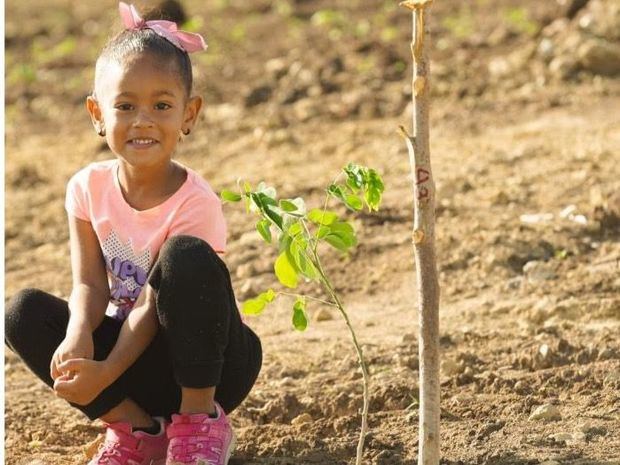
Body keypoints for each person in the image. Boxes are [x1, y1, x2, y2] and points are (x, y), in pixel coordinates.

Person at [4, 3, 262, 465]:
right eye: (125, 106)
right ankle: (137, 430)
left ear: (189, 113)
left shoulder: (194, 201)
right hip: (135, 365)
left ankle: (200, 424)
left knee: (185, 256)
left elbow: (149, 305)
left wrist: (106, 371)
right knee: (23, 314)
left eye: (162, 105)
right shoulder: (87, 187)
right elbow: (88, 283)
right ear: (96, 113)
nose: (142, 120)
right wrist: (79, 336)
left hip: (210, 364)